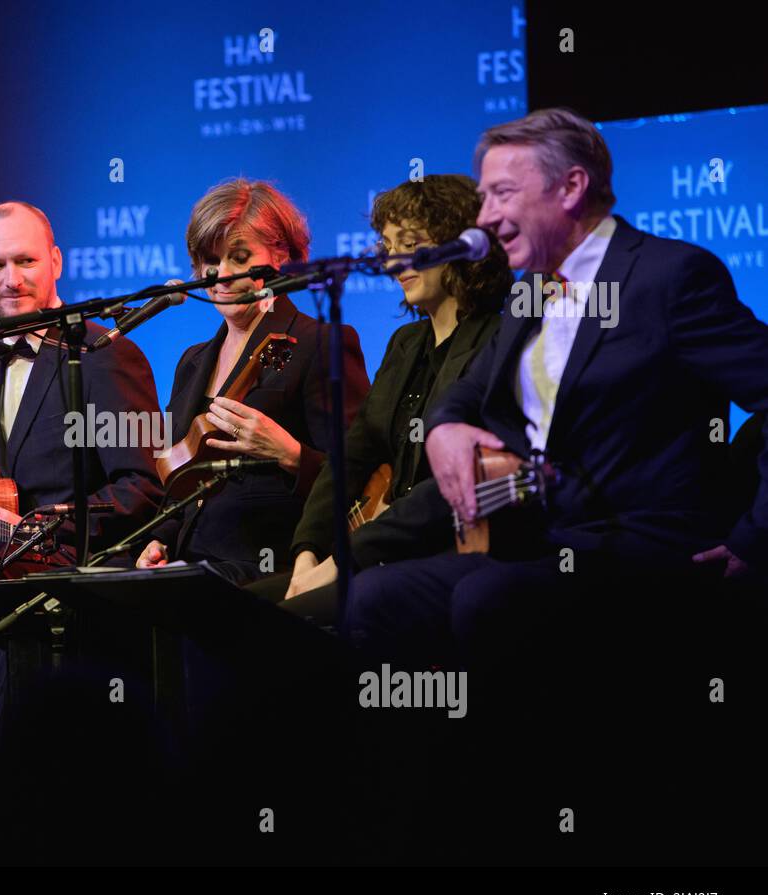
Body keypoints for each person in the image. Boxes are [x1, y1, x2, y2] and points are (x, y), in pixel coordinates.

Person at [346, 107, 768, 662]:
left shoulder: (670, 277)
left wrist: (753, 540)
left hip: (641, 543)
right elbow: (468, 394)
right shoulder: (530, 293)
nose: (486, 218)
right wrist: (445, 430)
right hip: (537, 538)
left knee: (488, 598)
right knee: (373, 595)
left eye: (501, 194)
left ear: (571, 186)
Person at [279, 174, 512, 617]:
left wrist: (344, 559)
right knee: (241, 608)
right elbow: (351, 458)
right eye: (388, 247)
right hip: (374, 551)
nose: (394, 263)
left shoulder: (498, 342)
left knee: (289, 622)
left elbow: (451, 485)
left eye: (411, 244)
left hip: (444, 551)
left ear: (459, 245)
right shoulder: (404, 344)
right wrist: (308, 550)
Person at [0, 200, 163, 578]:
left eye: (26, 261)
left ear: (56, 261)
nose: (12, 280)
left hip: (80, 583)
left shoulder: (106, 354)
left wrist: (32, 530)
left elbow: (140, 490)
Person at [135, 178, 370, 585]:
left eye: (239, 257)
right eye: (211, 261)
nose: (221, 275)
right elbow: (185, 480)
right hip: (197, 560)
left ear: (283, 258)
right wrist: (161, 537)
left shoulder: (321, 343)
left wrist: (291, 453)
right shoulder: (192, 361)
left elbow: (360, 477)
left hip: (270, 564)